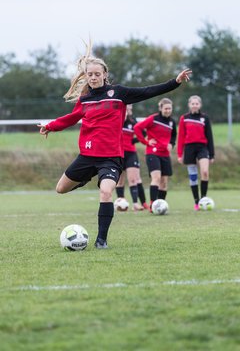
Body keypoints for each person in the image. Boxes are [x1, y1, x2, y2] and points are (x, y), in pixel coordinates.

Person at [38, 43, 192, 249]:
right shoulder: (84, 100)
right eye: (89, 74)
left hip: (110, 158)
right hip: (87, 156)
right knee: (61, 189)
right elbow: (70, 118)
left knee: (106, 192)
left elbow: (148, 91)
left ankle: (101, 240)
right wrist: (50, 126)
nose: (93, 77)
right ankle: (86, 178)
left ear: (104, 74)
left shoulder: (119, 93)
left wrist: (175, 82)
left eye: (96, 74)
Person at [134, 98, 176, 211]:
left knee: (164, 182)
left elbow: (173, 136)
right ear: (160, 108)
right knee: (156, 178)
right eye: (165, 108)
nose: (167, 110)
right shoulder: (153, 119)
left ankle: (161, 205)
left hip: (165, 154)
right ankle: (153, 205)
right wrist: (146, 142)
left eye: (169, 108)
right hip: (152, 153)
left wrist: (172, 144)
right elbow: (137, 128)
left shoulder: (172, 122)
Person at [177, 95, 214, 210]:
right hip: (189, 148)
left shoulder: (205, 118)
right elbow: (181, 137)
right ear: (189, 105)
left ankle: (203, 199)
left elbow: (209, 136)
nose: (194, 105)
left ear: (200, 105)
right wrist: (179, 154)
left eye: (196, 103)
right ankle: (196, 202)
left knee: (205, 172)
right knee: (193, 177)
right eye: (192, 103)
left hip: (202, 148)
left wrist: (211, 154)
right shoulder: (184, 118)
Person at [115, 104, 149, 211]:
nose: (128, 111)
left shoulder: (133, 122)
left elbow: (143, 132)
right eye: (126, 109)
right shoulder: (116, 121)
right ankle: (121, 203)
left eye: (129, 109)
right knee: (120, 180)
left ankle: (135, 203)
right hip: (118, 154)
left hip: (130, 154)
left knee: (133, 179)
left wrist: (134, 140)